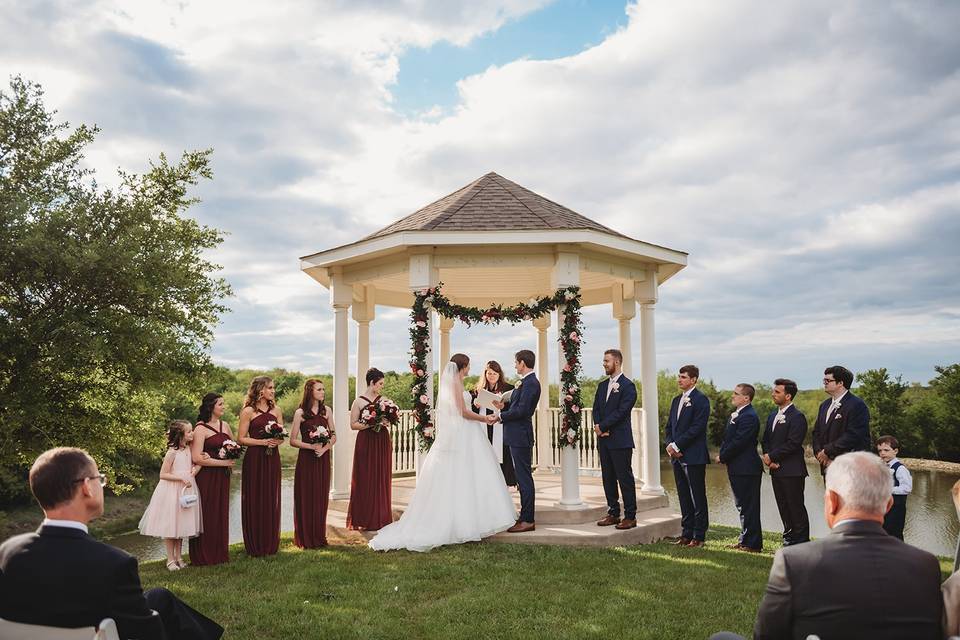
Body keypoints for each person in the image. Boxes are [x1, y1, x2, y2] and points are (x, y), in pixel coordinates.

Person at [0, 447, 223, 640]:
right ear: (87, 487)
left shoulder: (8, 552)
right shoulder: (115, 563)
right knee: (160, 608)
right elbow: (147, 632)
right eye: (100, 479)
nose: (103, 485)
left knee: (159, 597)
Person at [750, 451, 943, 639]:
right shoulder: (926, 565)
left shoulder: (794, 562)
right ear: (888, 505)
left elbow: (766, 635)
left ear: (832, 501)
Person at [369, 354, 516, 551]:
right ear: (462, 367)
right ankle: (463, 522)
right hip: (464, 431)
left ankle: (471, 519)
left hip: (463, 432)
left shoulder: (456, 382)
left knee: (467, 474)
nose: (469, 369)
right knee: (465, 474)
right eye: (468, 366)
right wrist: (484, 420)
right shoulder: (455, 384)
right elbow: (462, 412)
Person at [138, 420, 203, 571]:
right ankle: (170, 559)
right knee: (171, 524)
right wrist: (181, 478)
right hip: (172, 490)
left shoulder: (189, 449)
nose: (192, 433)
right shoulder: (172, 452)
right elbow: (163, 474)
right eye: (189, 431)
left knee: (181, 524)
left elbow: (195, 465)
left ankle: (179, 557)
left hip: (186, 489)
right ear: (180, 435)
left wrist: (195, 469)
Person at [491, 349, 541, 533]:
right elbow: (517, 405)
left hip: (521, 436)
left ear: (522, 363)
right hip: (515, 435)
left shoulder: (531, 384)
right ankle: (524, 515)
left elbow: (523, 411)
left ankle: (528, 519)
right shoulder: (524, 383)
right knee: (521, 478)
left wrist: (500, 416)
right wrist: (503, 405)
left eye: (516, 362)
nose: (514, 365)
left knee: (524, 478)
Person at [592, 349, 639, 530]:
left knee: (624, 478)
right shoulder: (602, 386)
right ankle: (613, 513)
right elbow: (596, 408)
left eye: (606, 361)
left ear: (617, 362)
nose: (604, 363)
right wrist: (597, 425)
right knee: (608, 477)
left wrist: (604, 426)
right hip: (603, 440)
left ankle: (630, 516)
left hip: (620, 440)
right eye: (604, 360)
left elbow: (622, 412)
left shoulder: (628, 386)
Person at [664, 364, 711, 547]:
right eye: (679, 376)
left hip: (694, 456)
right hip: (676, 456)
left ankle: (698, 536)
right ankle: (686, 533)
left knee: (697, 497)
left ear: (693, 380)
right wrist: (669, 445)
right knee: (683, 496)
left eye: (683, 377)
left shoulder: (701, 400)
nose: (679, 379)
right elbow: (669, 426)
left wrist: (678, 444)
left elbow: (697, 428)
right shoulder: (676, 400)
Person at [238, 375, 284, 556]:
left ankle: (270, 542)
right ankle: (255, 544)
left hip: (273, 458)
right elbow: (241, 439)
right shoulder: (248, 411)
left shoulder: (277, 411)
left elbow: (281, 436)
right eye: (270, 388)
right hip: (255, 458)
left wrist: (276, 441)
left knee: (270, 496)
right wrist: (263, 443)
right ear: (260, 390)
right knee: (255, 497)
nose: (273, 391)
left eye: (273, 388)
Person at [189, 392, 236, 566]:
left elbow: (233, 446)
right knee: (207, 513)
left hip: (223, 477)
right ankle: (204, 555)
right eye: (221, 404)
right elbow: (196, 458)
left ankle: (220, 553)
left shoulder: (226, 425)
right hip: (207, 477)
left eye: (224, 404)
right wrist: (222, 463)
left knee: (220, 512)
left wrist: (231, 455)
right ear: (211, 407)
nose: (224, 407)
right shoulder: (200, 428)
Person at [761, 378, 809, 546]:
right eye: (774, 391)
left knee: (795, 506)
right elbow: (765, 439)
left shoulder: (797, 417)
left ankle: (801, 541)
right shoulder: (773, 415)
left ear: (788, 396)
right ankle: (788, 537)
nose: (773, 394)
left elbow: (793, 443)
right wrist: (768, 458)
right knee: (782, 505)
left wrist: (772, 457)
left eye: (777, 392)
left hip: (793, 470)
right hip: (776, 468)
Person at [716, 383, 763, 552]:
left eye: (736, 394)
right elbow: (728, 439)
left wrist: (723, 456)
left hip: (747, 467)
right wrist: (723, 453)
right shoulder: (737, 414)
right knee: (742, 505)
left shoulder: (749, 416)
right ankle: (745, 540)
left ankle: (753, 543)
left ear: (746, 398)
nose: (732, 396)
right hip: (738, 466)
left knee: (749, 506)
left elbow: (739, 442)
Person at [291, 378, 336, 548]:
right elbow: (293, 440)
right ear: (310, 392)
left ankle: (319, 537)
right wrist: (311, 446)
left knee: (320, 497)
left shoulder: (327, 411)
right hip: (307, 460)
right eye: (319, 389)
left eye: (323, 389)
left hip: (323, 458)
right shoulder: (300, 413)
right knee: (306, 496)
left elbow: (334, 435)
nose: (323, 392)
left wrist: (325, 449)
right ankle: (305, 538)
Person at [347, 368, 394, 531]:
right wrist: (371, 423)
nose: (381, 386)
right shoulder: (358, 402)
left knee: (381, 476)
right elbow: (353, 425)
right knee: (365, 477)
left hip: (381, 441)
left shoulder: (384, 400)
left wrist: (387, 421)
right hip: (366, 442)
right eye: (380, 383)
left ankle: (381, 516)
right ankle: (364, 517)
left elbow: (387, 419)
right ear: (372, 383)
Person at [812, 365, 870, 476]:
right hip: (827, 466)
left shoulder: (857, 405)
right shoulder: (824, 405)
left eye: (828, 380)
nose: (825, 383)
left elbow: (853, 435)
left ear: (840, 383)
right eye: (824, 380)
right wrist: (820, 454)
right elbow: (816, 432)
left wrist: (827, 451)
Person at [472, 360, 517, 488]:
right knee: (484, 454)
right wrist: (475, 405)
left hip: (501, 427)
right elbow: (472, 411)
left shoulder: (508, 389)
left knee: (501, 455)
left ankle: (502, 485)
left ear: (499, 375)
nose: (491, 376)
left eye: (495, 373)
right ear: (485, 374)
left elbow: (513, 409)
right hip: (484, 426)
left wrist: (503, 406)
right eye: (489, 373)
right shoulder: (478, 390)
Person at [876, 434, 911, 540]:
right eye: (880, 451)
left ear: (895, 451)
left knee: (895, 534)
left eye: (886, 450)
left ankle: (899, 555)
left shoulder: (900, 469)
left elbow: (907, 488)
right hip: (884, 507)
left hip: (896, 508)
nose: (882, 453)